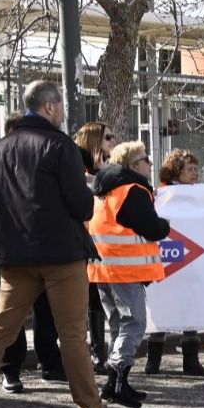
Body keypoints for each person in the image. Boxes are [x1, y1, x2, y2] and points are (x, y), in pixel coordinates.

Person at [0, 80, 136, 408]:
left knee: (0, 328)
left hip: (12, 257)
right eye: (62, 105)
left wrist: (2, 231)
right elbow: (81, 206)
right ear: (50, 107)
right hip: (60, 254)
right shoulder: (60, 146)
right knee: (72, 334)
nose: (64, 111)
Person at [0, 115, 65, 393]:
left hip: (37, 248)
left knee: (44, 308)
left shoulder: (36, 159)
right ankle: (10, 369)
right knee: (9, 313)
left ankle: (49, 364)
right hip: (6, 251)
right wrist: (1, 229)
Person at [89, 141, 172, 408]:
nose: (151, 163)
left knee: (118, 325)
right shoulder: (133, 190)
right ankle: (117, 381)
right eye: (146, 159)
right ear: (134, 165)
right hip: (125, 270)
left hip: (103, 270)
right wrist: (165, 225)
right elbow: (152, 228)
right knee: (134, 324)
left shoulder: (105, 189)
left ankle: (115, 384)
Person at [143, 149, 204, 376]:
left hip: (191, 264)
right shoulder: (159, 195)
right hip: (168, 262)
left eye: (196, 169)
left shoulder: (199, 195)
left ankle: (191, 361)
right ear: (175, 171)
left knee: (191, 308)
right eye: (189, 169)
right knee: (162, 307)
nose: (195, 173)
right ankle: (153, 361)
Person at [74, 121, 117, 375]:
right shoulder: (77, 168)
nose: (113, 141)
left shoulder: (111, 167)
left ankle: (103, 354)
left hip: (106, 243)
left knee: (101, 300)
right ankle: (96, 353)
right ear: (94, 140)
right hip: (82, 242)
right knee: (90, 300)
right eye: (107, 137)